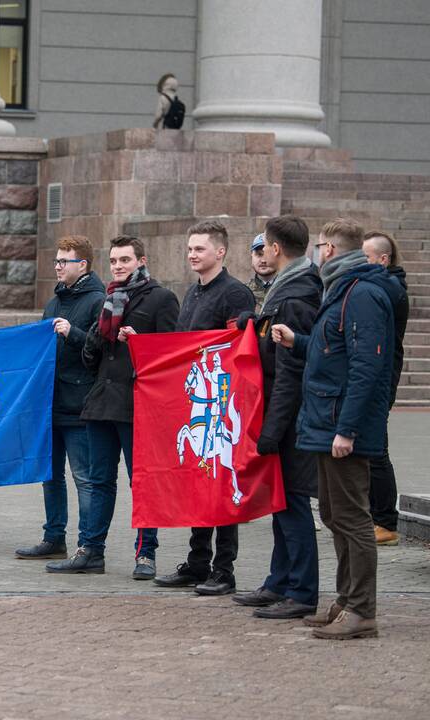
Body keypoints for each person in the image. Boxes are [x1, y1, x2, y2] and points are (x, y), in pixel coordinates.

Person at [272, 218, 402, 640]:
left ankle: (362, 609)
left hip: (341, 427)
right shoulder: (343, 290)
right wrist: (300, 341)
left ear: (329, 250)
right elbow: (336, 351)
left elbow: (368, 366)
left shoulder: (361, 294)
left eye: (320, 246)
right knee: (333, 513)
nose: (316, 252)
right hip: (328, 422)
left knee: (351, 518)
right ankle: (347, 600)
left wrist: (347, 429)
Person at [46, 236, 178, 578]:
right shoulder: (108, 299)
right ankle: (90, 551)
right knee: (100, 481)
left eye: (125, 260)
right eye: (114, 260)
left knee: (142, 482)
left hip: (137, 407)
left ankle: (146, 554)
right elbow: (92, 358)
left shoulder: (161, 299)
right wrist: (98, 337)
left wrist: (138, 343)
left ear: (141, 261)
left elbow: (171, 357)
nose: (118, 266)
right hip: (101, 404)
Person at [155, 220, 255, 595]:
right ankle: (197, 562)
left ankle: (223, 570)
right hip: (195, 398)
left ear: (220, 252)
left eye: (200, 249)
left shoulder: (235, 294)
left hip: (223, 404)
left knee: (222, 485)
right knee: (199, 483)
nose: (193, 255)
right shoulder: (192, 293)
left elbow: (236, 350)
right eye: (190, 249)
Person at [231, 216, 322, 619]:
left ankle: (302, 592)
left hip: (290, 418)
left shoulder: (295, 297)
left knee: (293, 505)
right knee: (281, 503)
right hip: (283, 415)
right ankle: (278, 581)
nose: (263, 252)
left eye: (264, 245)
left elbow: (291, 374)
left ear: (275, 249)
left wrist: (272, 430)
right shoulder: (285, 292)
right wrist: (257, 326)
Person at [15, 236, 105, 561]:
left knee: (84, 478)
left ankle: (88, 545)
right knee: (50, 476)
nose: (56, 266)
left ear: (82, 265)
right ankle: (54, 537)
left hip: (80, 406)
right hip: (50, 405)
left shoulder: (99, 301)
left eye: (63, 261)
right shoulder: (53, 303)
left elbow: (102, 352)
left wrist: (74, 333)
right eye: (55, 260)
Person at [362, 230, 409, 547]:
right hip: (377, 377)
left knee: (377, 451)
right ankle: (373, 515)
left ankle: (385, 521)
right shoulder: (382, 286)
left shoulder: (390, 289)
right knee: (369, 450)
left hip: (380, 380)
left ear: (383, 259)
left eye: (363, 257)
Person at [246, 233, 276, 312]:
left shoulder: (287, 288)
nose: (263, 260)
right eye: (259, 254)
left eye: (268, 255)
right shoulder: (243, 291)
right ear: (251, 255)